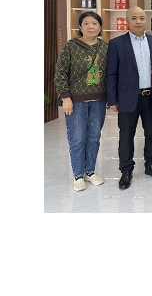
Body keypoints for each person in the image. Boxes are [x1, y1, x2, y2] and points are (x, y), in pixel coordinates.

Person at [107, 6, 152, 190]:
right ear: (127, 21)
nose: (138, 21)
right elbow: (111, 73)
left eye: (141, 18)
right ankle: (126, 170)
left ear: (146, 20)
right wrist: (112, 99)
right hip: (127, 97)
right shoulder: (116, 43)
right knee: (126, 135)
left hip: (150, 96)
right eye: (134, 18)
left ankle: (151, 164)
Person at [55, 11, 108, 192]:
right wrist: (65, 97)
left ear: (100, 27)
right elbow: (60, 72)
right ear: (80, 27)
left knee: (94, 137)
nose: (91, 27)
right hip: (76, 102)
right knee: (77, 139)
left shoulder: (105, 47)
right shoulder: (71, 46)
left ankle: (90, 171)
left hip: (99, 101)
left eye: (94, 23)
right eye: (86, 23)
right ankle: (78, 175)